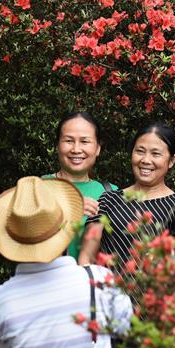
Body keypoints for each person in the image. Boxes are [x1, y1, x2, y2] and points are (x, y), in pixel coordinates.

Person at [0, 176, 133, 348]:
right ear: (66, 228)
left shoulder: (0, 300)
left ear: (10, 238)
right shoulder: (99, 281)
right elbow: (124, 328)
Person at [78, 122, 175, 269]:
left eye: (156, 153)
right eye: (140, 151)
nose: (145, 160)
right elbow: (86, 257)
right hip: (107, 290)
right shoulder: (109, 199)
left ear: (171, 161)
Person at [42, 111, 111, 260]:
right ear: (57, 145)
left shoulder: (110, 192)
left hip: (92, 281)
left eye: (85, 141)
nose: (76, 149)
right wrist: (69, 211)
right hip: (44, 280)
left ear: (98, 148)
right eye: (69, 141)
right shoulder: (37, 188)